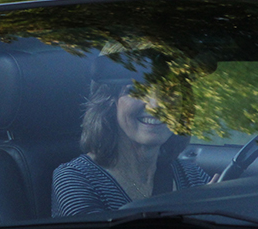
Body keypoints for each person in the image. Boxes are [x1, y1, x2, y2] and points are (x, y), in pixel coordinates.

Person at [51, 49, 212, 217]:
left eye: (169, 91)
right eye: (137, 90)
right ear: (110, 103)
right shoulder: (75, 178)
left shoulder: (190, 174)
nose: (155, 105)